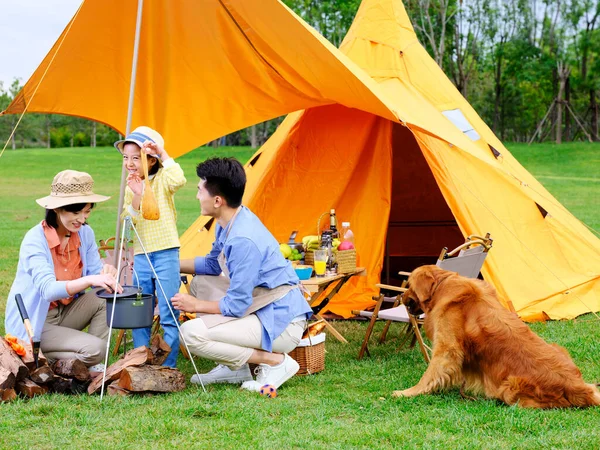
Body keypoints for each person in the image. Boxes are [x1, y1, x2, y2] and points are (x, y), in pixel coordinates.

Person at [172, 157, 313, 391]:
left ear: (217, 200)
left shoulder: (242, 240)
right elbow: (211, 265)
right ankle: (234, 368)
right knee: (201, 283)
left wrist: (195, 305)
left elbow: (237, 305)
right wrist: (170, 264)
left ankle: (275, 362)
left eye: (200, 190)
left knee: (189, 334)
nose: (197, 196)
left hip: (280, 322)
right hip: (260, 305)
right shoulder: (230, 219)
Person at [5, 170, 121, 369]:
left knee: (106, 296)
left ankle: (85, 361)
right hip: (37, 323)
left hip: (67, 313)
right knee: (97, 349)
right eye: (76, 212)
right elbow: (48, 290)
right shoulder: (35, 240)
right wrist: (89, 280)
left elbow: (95, 271)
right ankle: (40, 356)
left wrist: (105, 274)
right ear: (57, 209)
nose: (82, 219)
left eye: (87, 211)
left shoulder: (84, 233)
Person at [116, 126, 186, 368]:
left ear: (151, 159)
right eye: (126, 157)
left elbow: (179, 179)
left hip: (166, 252)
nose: (130, 163)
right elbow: (130, 219)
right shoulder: (131, 186)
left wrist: (163, 152)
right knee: (140, 309)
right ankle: (142, 363)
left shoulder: (163, 178)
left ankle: (168, 365)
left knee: (168, 311)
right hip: (143, 256)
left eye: (136, 157)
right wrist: (136, 193)